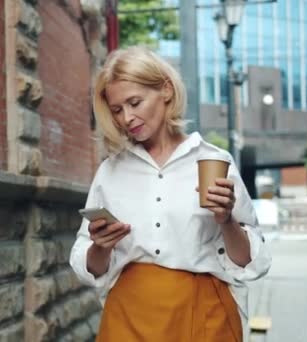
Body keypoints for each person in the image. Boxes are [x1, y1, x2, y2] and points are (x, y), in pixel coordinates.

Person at [69, 46, 271, 342]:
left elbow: (252, 264)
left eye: (135, 102)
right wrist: (100, 247)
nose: (127, 117)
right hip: (128, 316)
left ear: (165, 90)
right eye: (117, 110)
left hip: (203, 314)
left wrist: (226, 221)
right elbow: (88, 265)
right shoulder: (110, 172)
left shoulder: (215, 161)